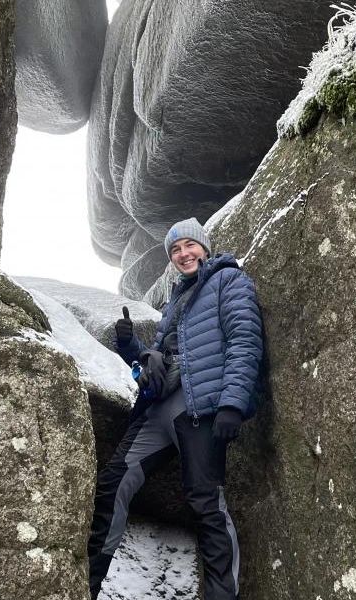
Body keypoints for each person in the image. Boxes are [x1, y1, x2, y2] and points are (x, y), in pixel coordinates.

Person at [87, 217, 264, 600]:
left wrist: (232, 404)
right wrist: (133, 348)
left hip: (200, 411)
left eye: (189, 246)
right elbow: (165, 359)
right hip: (158, 410)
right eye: (175, 250)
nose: (183, 254)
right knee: (113, 483)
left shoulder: (228, 281)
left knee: (206, 505)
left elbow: (244, 340)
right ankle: (87, 585)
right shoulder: (174, 301)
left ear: (204, 247)